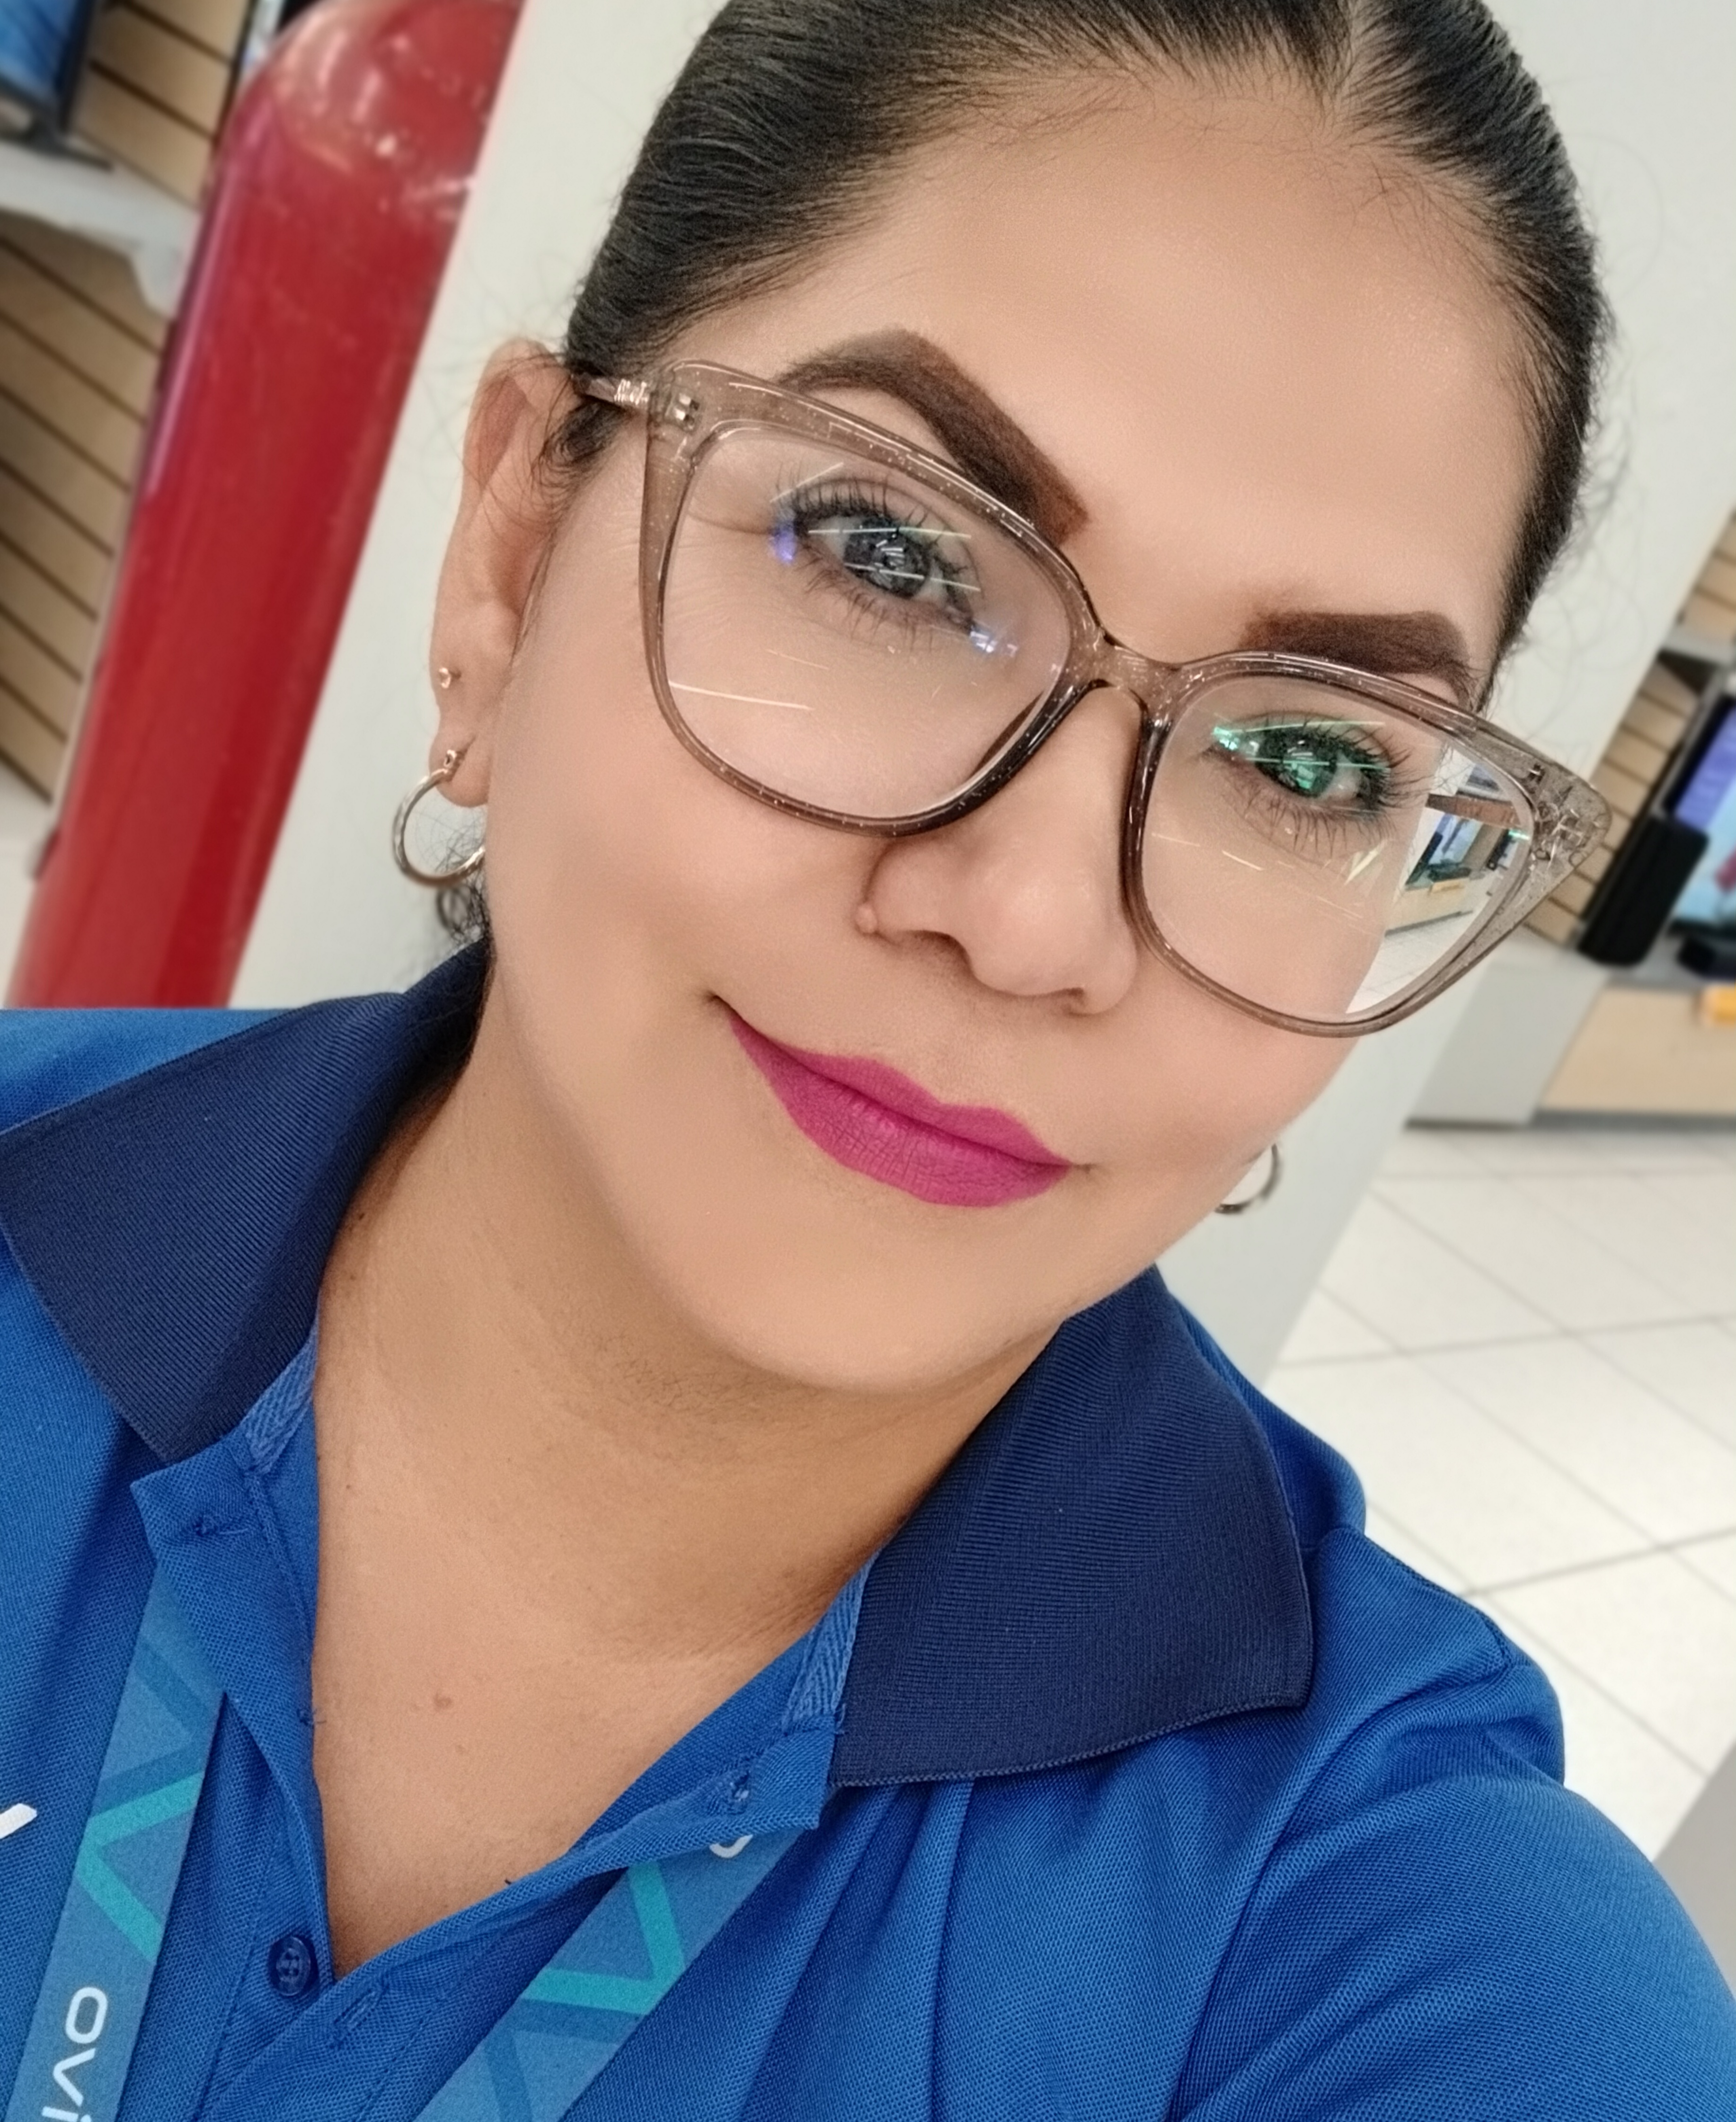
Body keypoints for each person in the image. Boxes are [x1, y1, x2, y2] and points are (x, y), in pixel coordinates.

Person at [3, 1, 1732, 2115]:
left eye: (1301, 757)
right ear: (515, 554)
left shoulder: (1387, 1954)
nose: (1034, 921)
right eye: (892, 557)